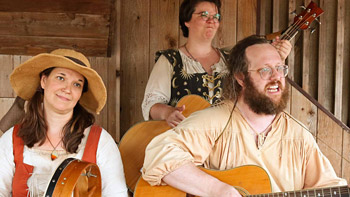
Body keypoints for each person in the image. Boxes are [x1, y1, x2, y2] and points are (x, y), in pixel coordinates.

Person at [141, 35, 347, 196]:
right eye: (265, 70)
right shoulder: (214, 122)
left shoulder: (299, 137)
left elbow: (329, 186)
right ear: (241, 78)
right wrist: (218, 190)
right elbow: (157, 156)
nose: (277, 78)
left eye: (280, 68)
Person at [141, 0, 292, 127]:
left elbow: (257, 89)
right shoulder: (170, 60)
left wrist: (278, 60)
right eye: (204, 15)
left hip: (226, 142)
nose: (212, 20)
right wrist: (167, 112)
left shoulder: (230, 59)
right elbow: (151, 103)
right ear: (186, 21)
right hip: (184, 141)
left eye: (216, 16)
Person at [0, 49, 128, 196]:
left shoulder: (100, 142)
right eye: (61, 78)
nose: (67, 89)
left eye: (77, 84)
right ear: (44, 80)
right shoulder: (12, 139)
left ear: (80, 94)